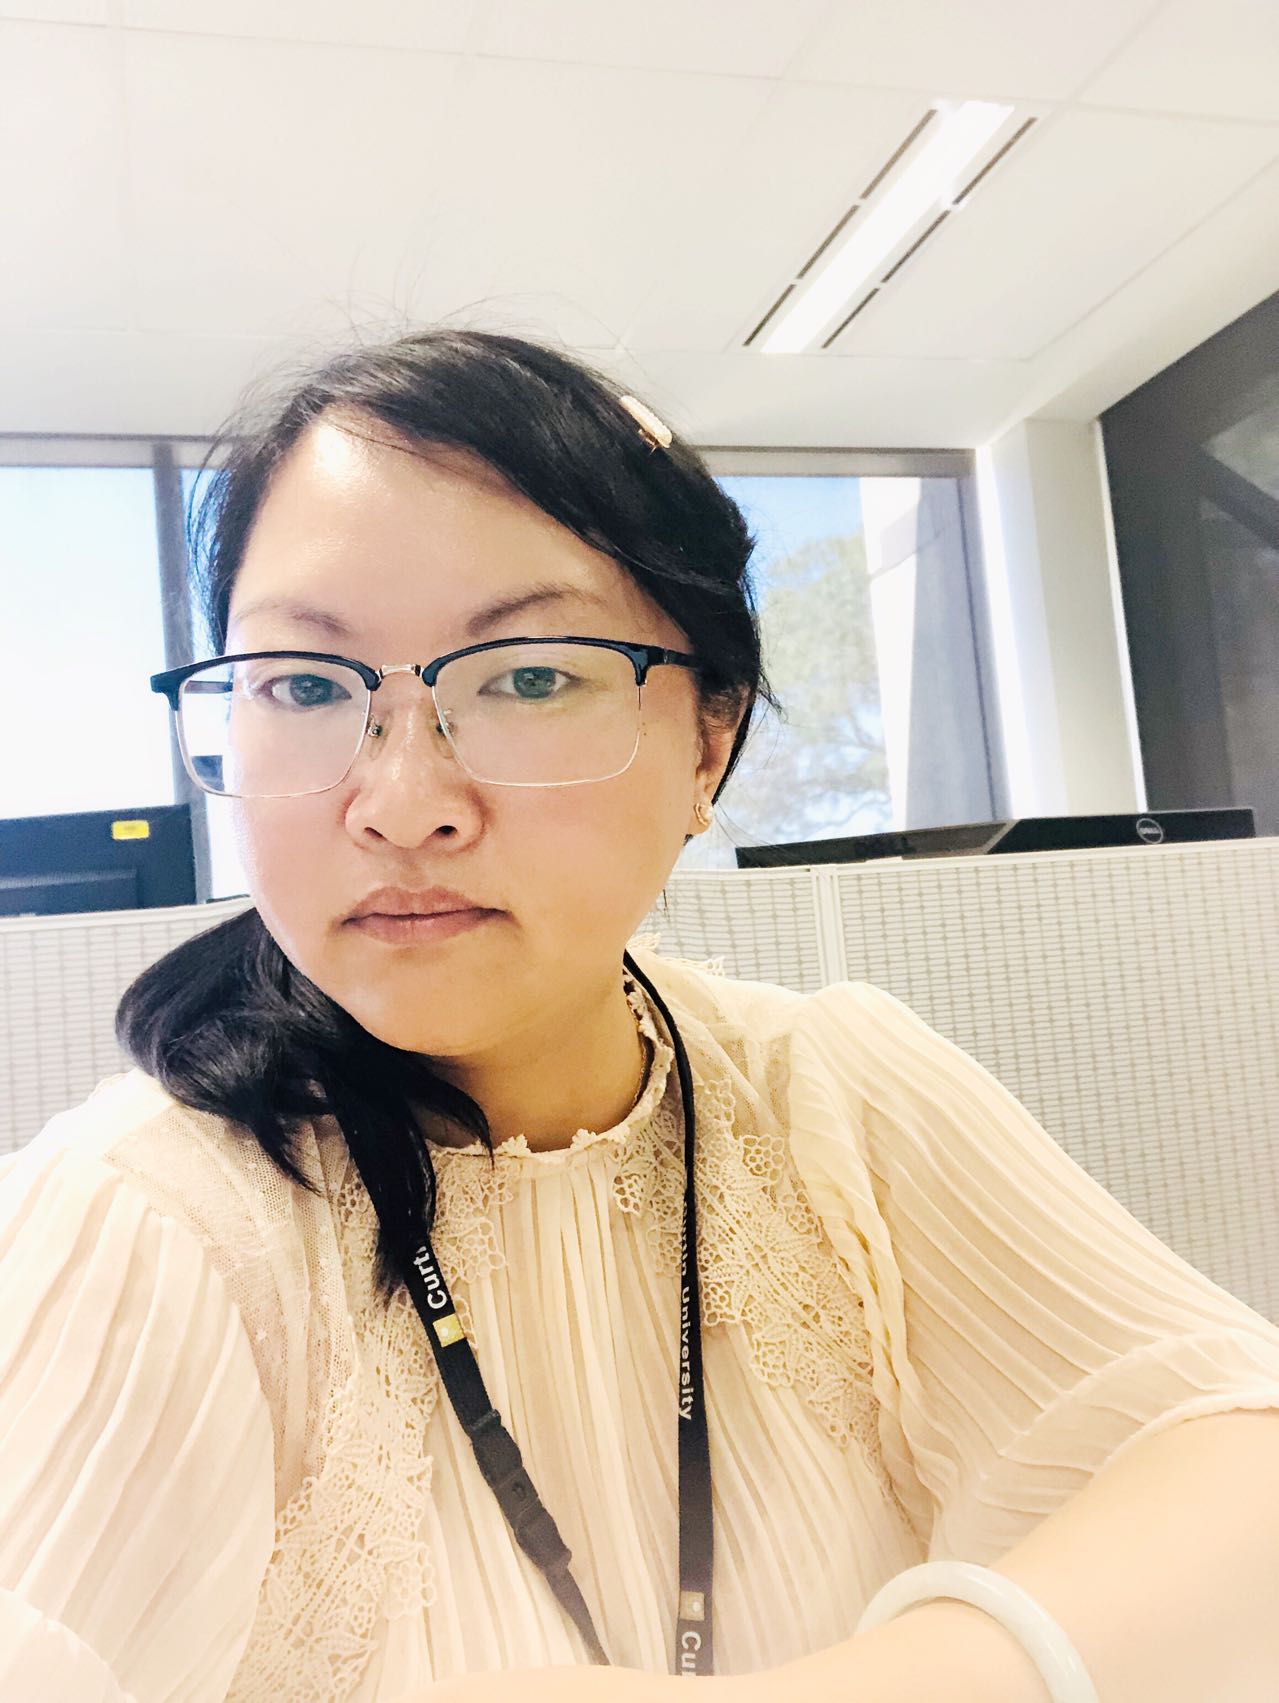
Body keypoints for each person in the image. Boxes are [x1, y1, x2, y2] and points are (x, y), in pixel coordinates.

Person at [3, 329, 1279, 1703]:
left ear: (709, 742)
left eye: (529, 676)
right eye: (306, 686)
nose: (403, 804)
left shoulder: (827, 1094)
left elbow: (1233, 1446)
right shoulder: (149, 1221)